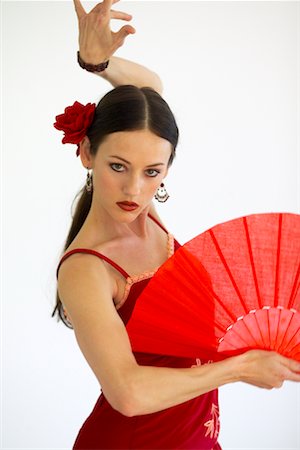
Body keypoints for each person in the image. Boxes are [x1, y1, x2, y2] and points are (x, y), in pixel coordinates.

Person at [52, 1, 300, 449]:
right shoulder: (86, 269)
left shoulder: (144, 214)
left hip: (193, 437)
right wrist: (241, 367)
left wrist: (98, 63)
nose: (133, 190)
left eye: (152, 172)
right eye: (117, 166)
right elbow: (127, 393)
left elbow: (148, 89)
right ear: (87, 153)